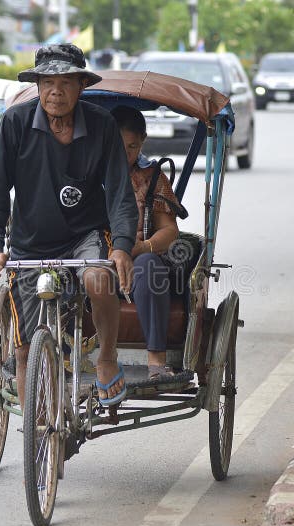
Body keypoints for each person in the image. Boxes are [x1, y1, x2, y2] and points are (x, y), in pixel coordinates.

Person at [0, 44, 138, 407]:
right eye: (47, 82)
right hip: (30, 243)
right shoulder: (15, 123)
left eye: (66, 82)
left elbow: (119, 194)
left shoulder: (101, 125)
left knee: (99, 278)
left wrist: (122, 247)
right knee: (24, 350)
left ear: (82, 85)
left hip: (85, 236)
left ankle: (107, 359)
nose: (55, 91)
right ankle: (39, 429)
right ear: (37, 86)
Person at [111, 106, 183, 380]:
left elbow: (169, 230)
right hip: (98, 257)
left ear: (142, 142)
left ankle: (156, 360)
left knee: (149, 266)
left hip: (139, 258)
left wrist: (143, 247)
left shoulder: (152, 177)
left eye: (131, 147)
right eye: (119, 146)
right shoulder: (90, 174)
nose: (125, 154)